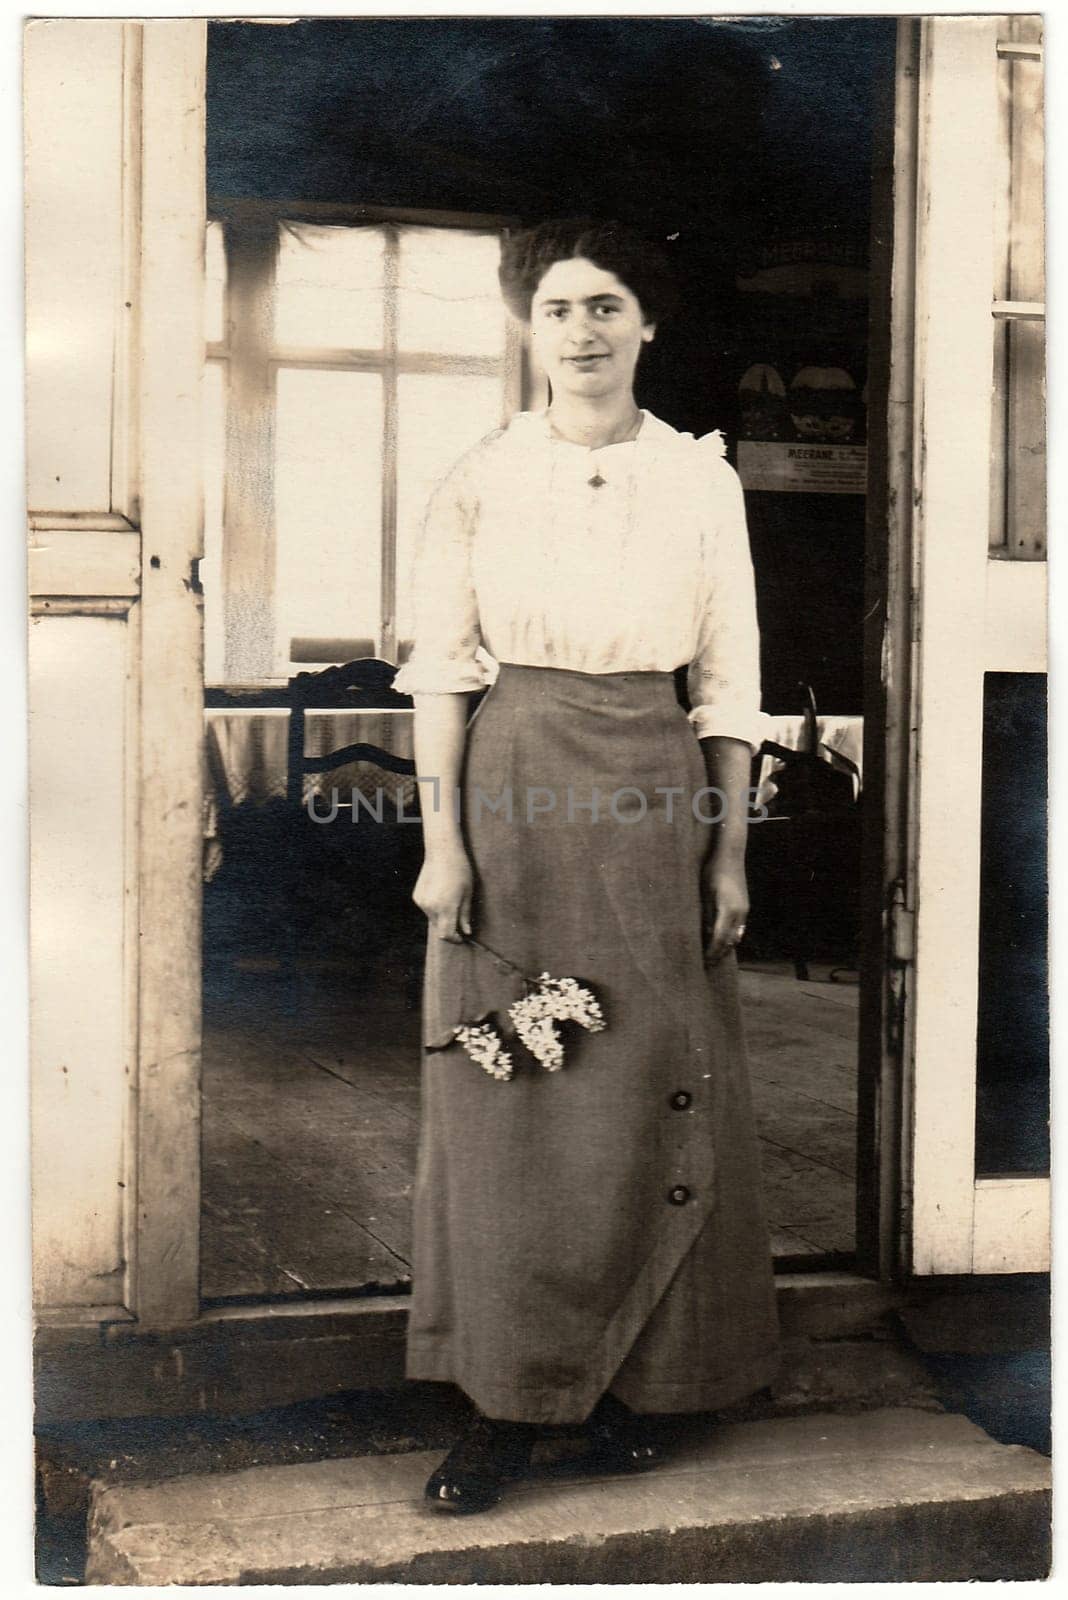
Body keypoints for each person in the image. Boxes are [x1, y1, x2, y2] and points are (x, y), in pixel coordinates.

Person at [391, 218, 780, 1514]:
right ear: (528, 328)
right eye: (560, 308)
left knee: (642, 1074)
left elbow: (729, 686)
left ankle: (639, 1386)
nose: (585, 330)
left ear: (646, 325)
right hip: (515, 794)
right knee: (516, 1083)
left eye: (608, 305)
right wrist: (445, 848)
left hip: (658, 791)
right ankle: (504, 1401)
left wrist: (727, 854)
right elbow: (442, 674)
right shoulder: (483, 475)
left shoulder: (699, 481)